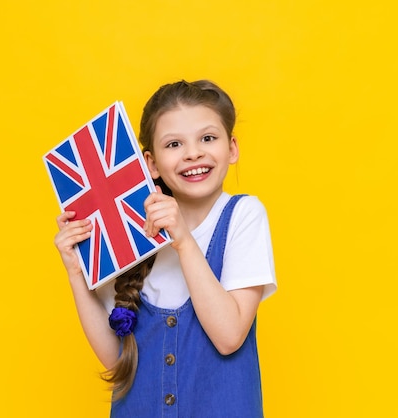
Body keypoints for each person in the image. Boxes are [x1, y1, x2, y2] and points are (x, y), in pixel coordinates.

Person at [54, 80, 277, 417]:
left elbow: (229, 336)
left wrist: (184, 241)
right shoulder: (129, 229)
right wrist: (76, 272)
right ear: (152, 163)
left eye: (208, 138)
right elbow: (116, 360)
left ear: (231, 148)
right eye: (174, 143)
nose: (193, 153)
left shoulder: (243, 215)